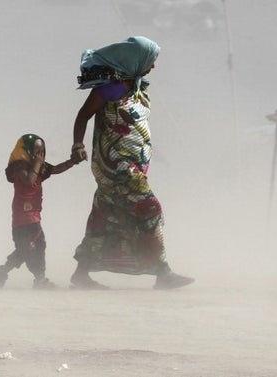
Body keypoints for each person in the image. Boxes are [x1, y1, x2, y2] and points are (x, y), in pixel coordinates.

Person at [69, 36, 194, 290]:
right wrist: (78, 145)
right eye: (150, 61)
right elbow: (83, 115)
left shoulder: (136, 86)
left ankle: (81, 274)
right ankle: (163, 272)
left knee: (104, 217)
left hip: (129, 164)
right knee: (151, 209)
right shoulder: (111, 87)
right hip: (117, 167)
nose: (153, 67)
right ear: (135, 61)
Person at [0, 134, 81, 289]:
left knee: (25, 249)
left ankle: (2, 270)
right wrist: (38, 164)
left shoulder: (37, 166)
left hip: (33, 215)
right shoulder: (19, 166)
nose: (39, 155)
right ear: (26, 150)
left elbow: (54, 169)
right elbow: (28, 182)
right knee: (38, 245)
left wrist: (72, 162)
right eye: (36, 151)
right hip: (23, 216)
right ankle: (40, 280)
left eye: (41, 151)